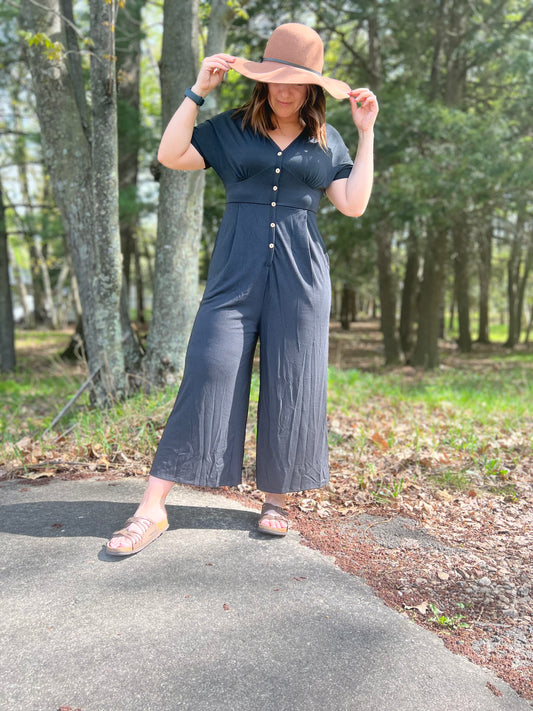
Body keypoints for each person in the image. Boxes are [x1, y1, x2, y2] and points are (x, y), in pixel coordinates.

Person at [106, 23, 378, 555]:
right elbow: (170, 154)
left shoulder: (328, 139)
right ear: (261, 80)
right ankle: (151, 509)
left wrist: (367, 132)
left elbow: (353, 202)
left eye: (295, 82)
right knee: (209, 368)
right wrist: (197, 90)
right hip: (234, 275)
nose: (283, 89)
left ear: (312, 89)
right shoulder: (230, 129)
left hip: (301, 278)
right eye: (275, 78)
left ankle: (275, 497)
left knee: (292, 380)